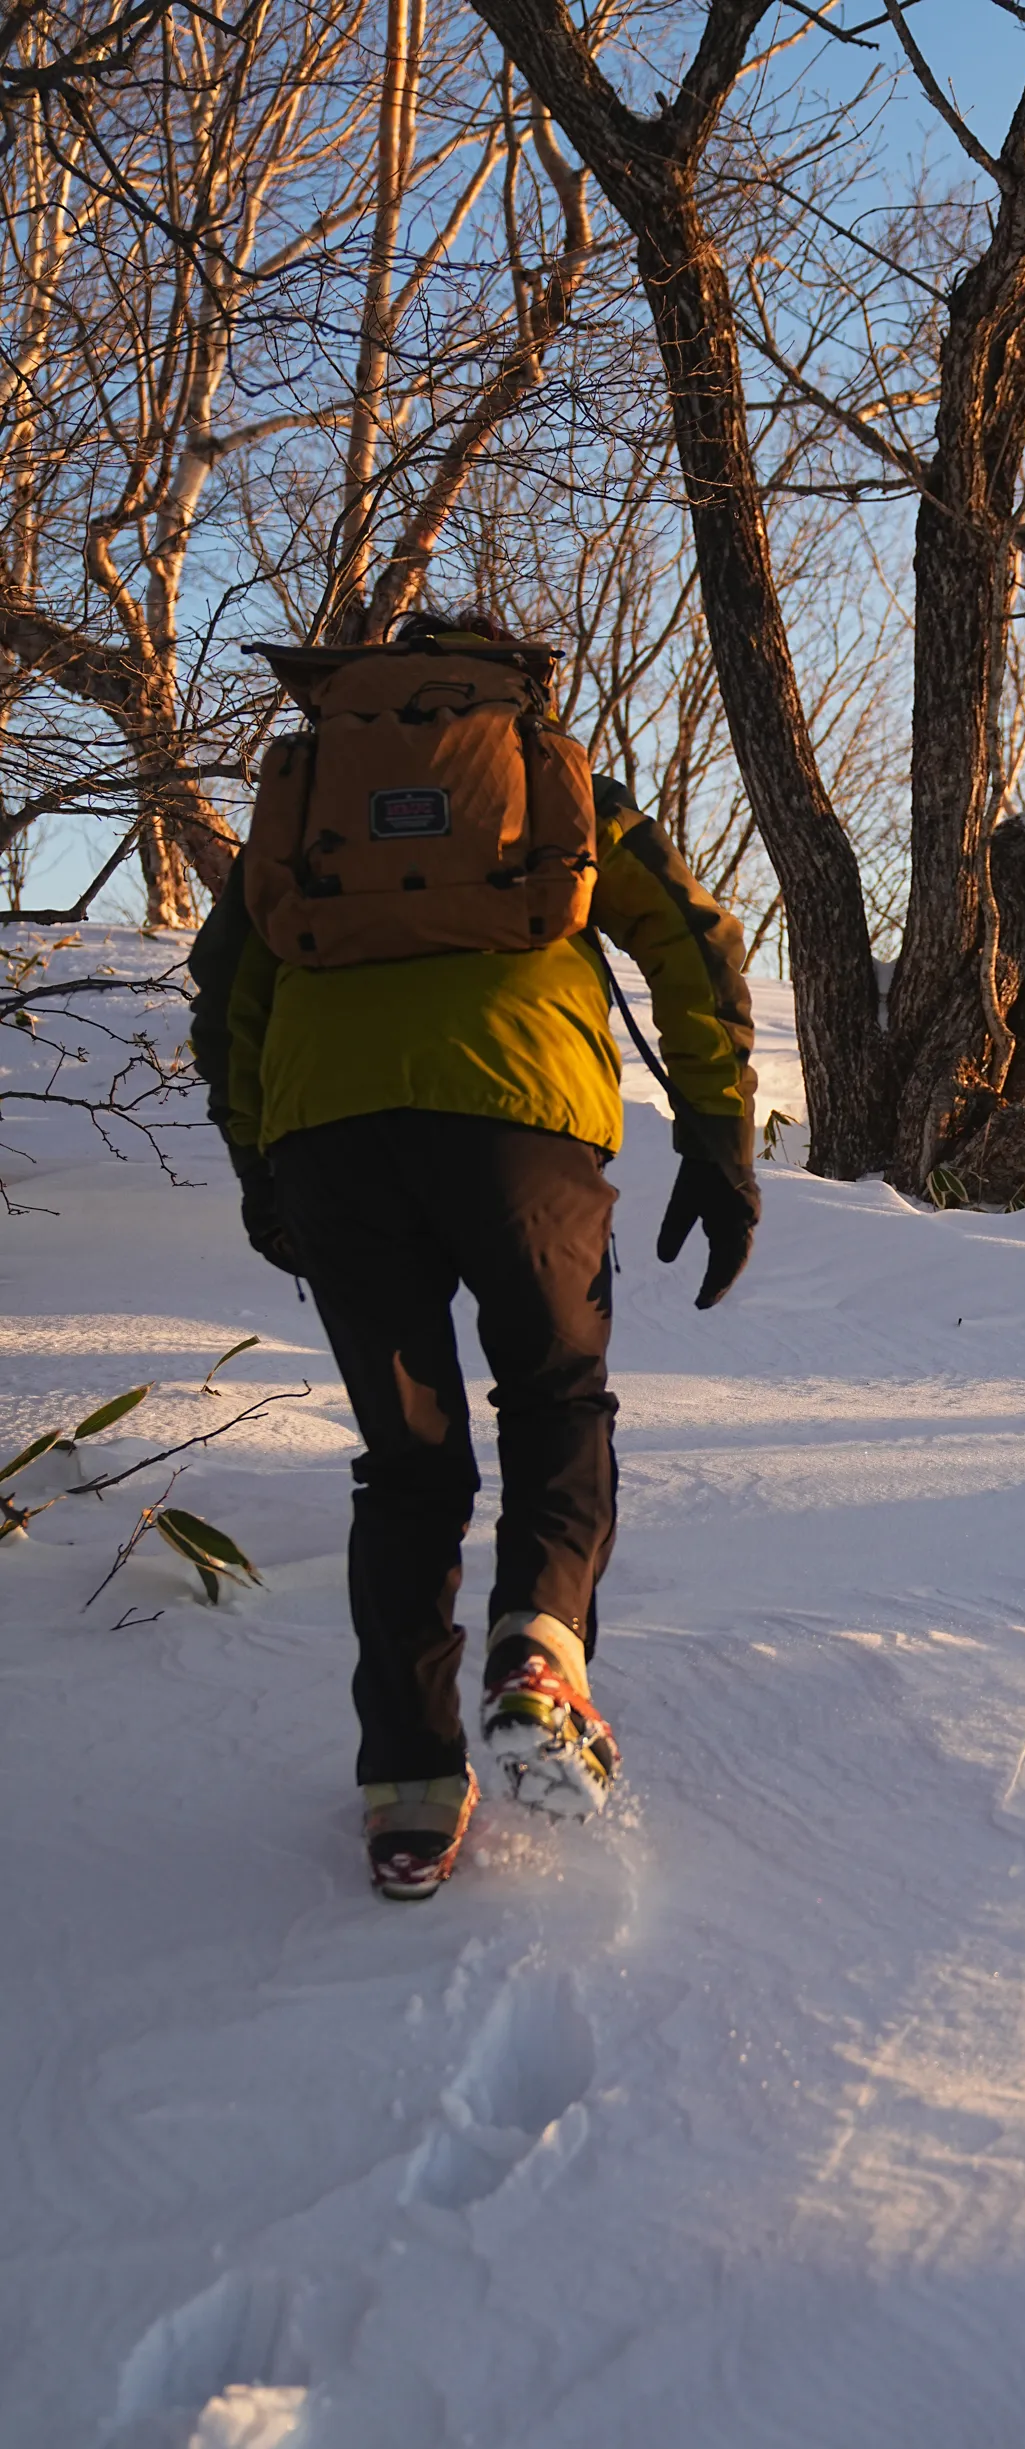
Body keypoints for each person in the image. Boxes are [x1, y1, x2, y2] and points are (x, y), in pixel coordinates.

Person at [189, 611, 758, 1899]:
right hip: (523, 1130)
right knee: (556, 1396)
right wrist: (718, 1135)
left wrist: (261, 1160)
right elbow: (690, 935)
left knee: (407, 1466)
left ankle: (407, 1795)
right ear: (508, 681)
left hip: (332, 1135)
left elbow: (231, 983)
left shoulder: (306, 803)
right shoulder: (553, 779)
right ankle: (540, 1650)